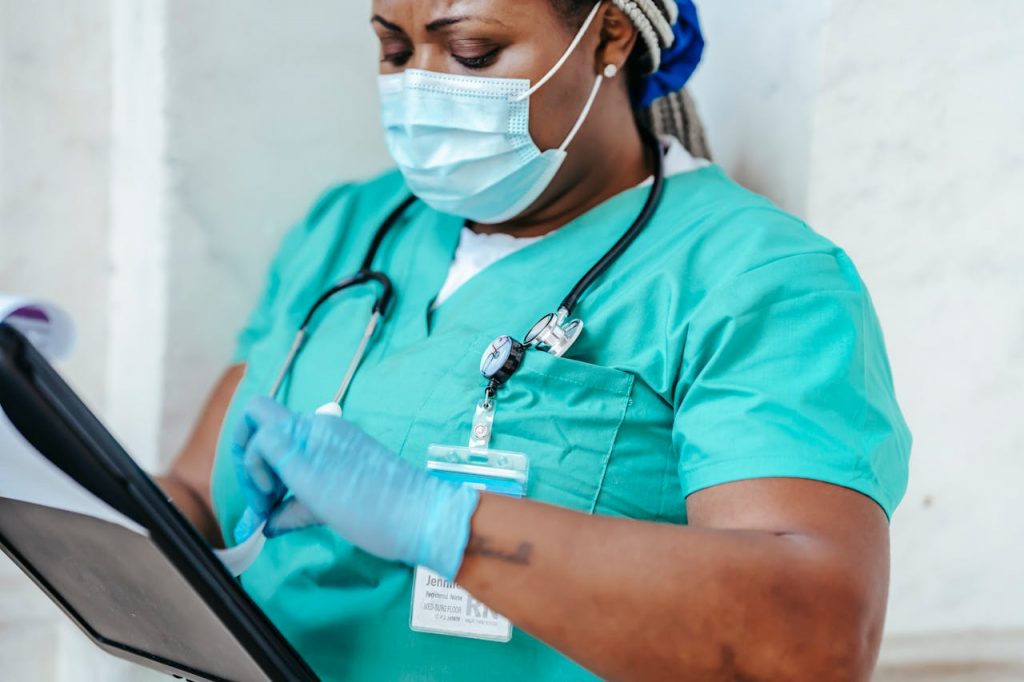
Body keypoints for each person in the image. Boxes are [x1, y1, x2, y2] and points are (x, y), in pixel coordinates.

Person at [158, 1, 911, 680]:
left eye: (472, 52)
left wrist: (440, 521)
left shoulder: (754, 278)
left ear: (608, 35)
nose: (420, 85)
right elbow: (194, 493)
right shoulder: (351, 228)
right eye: (393, 50)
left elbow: (815, 640)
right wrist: (64, 480)